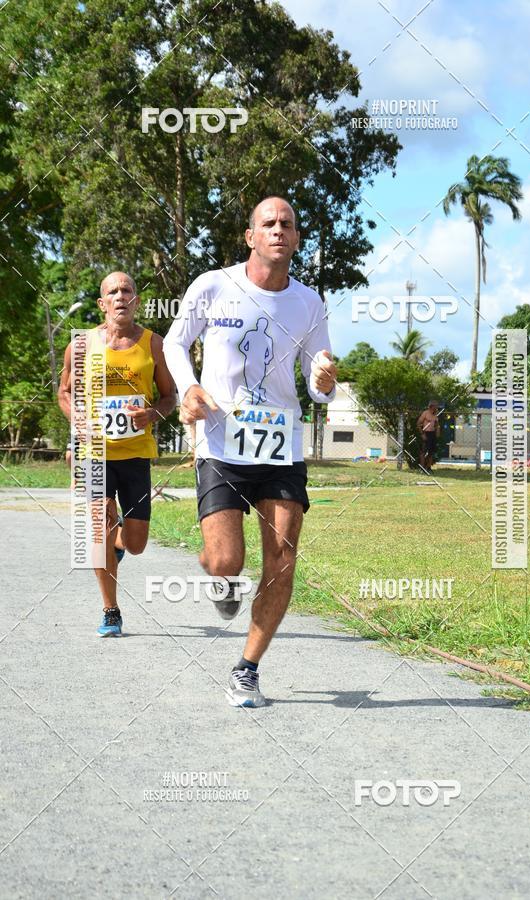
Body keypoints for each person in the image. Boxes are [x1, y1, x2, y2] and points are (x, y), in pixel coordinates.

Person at [163, 196, 337, 708]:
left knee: (281, 561)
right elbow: (176, 343)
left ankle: (248, 668)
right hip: (220, 441)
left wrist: (324, 379)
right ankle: (220, 577)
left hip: (280, 445)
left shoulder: (309, 303)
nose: (278, 230)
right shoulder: (213, 286)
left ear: (296, 238)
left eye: (287, 224)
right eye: (268, 223)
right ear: (250, 236)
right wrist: (190, 388)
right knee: (224, 561)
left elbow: (318, 378)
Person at [58, 272, 176, 636]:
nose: (120, 296)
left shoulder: (154, 344)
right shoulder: (81, 345)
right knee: (97, 532)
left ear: (136, 301)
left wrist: (151, 414)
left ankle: (120, 542)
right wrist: (76, 425)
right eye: (113, 291)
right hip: (92, 451)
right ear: (102, 303)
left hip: (135, 453)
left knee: (136, 543)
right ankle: (110, 609)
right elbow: (65, 392)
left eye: (127, 291)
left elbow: (169, 396)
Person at [417, 401, 440, 471]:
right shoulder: (425, 413)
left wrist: (437, 433)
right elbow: (418, 424)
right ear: (431, 406)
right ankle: (422, 467)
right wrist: (422, 434)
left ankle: (428, 467)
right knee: (423, 451)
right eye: (435, 406)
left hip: (432, 434)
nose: (437, 408)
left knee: (431, 452)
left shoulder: (435, 415)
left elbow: (436, 425)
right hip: (425, 433)